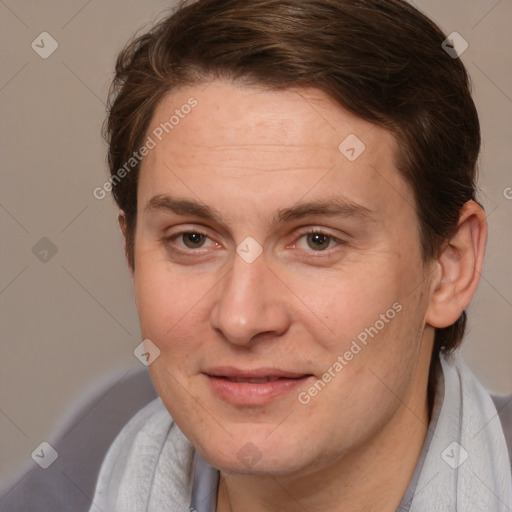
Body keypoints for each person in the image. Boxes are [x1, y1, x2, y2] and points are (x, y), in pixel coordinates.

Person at [86, 0, 511, 510]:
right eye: (193, 238)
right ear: (131, 252)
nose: (241, 319)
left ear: (449, 268)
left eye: (317, 240)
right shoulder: (73, 475)